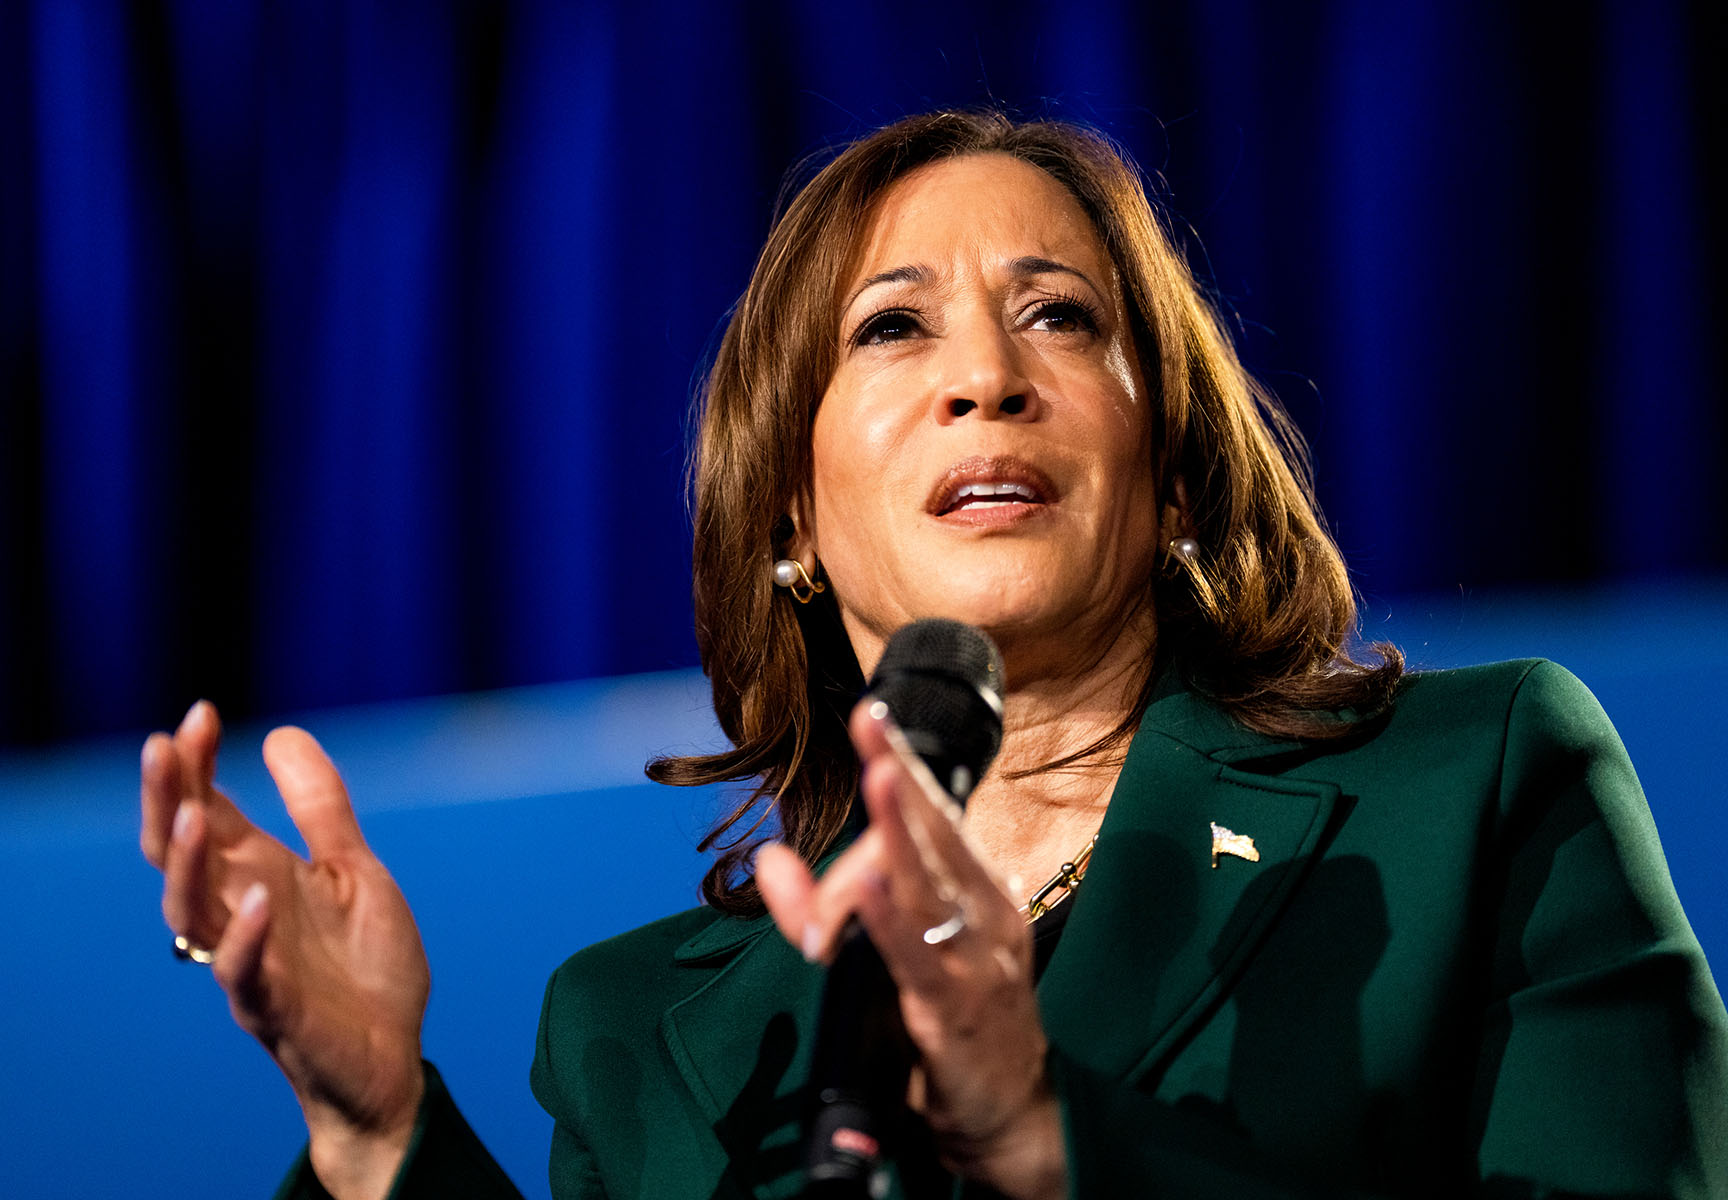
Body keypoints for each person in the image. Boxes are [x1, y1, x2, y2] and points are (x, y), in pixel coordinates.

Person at [140, 110, 1728, 1199]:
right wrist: (374, 1132)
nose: (985, 372)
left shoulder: (1477, 791)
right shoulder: (636, 1038)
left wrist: (1046, 1137)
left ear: (1172, 472)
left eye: (1062, 317)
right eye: (891, 328)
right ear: (792, 523)